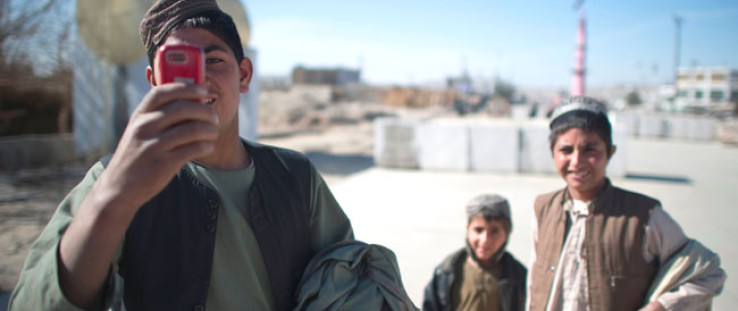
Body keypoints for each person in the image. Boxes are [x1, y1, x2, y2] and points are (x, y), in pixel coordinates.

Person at [9, 0, 353, 310]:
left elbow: (349, 279)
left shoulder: (296, 175)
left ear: (244, 75)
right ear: (155, 81)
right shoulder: (113, 177)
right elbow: (31, 303)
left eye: (215, 60)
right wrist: (115, 198)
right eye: (180, 64)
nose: (199, 78)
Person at [527, 96, 726, 311]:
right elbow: (534, 285)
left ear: (610, 153)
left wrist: (661, 306)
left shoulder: (642, 216)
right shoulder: (543, 208)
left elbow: (707, 273)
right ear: (553, 154)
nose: (577, 161)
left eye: (590, 150)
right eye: (566, 150)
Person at [423, 194, 527, 311]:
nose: (485, 240)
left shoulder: (519, 276)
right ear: (468, 230)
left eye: (494, 231)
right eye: (478, 230)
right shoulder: (446, 272)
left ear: (506, 234)